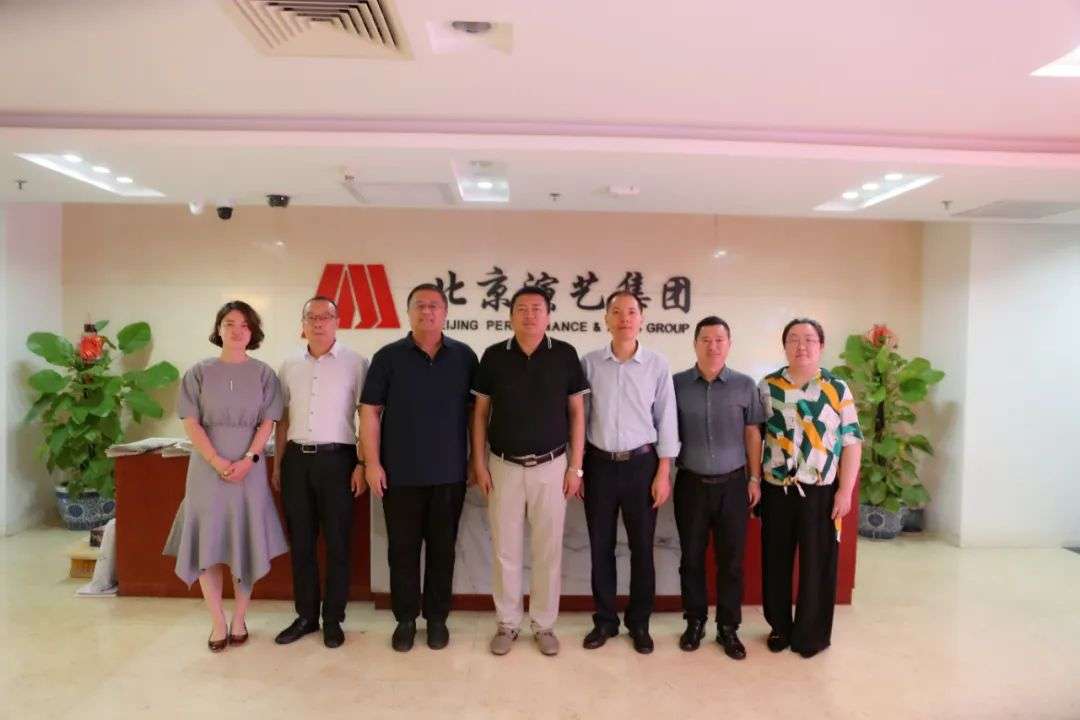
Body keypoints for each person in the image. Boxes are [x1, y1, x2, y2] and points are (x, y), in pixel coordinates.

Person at [359, 283, 478, 652]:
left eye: (434, 306)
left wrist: (475, 460)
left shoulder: (464, 357)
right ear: (408, 312)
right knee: (402, 551)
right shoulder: (388, 357)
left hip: (450, 474)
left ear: (445, 313)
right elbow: (369, 412)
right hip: (399, 474)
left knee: (443, 551)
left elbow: (477, 414)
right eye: (420, 306)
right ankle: (406, 620)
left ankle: (437, 619)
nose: (427, 312)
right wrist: (372, 463)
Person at [471, 287, 588, 656]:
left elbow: (577, 414)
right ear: (511, 316)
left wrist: (576, 467)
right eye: (521, 309)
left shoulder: (565, 355)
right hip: (502, 465)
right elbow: (480, 414)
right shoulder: (493, 356)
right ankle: (507, 624)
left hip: (552, 466)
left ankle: (544, 625)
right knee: (505, 550)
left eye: (537, 309)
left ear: (548, 316)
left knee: (547, 551)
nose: (529, 315)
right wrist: (479, 463)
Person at [163, 300, 287, 652]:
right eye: (229, 323)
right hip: (206, 469)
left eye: (245, 325)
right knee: (209, 542)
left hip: (250, 470)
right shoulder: (198, 372)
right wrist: (216, 460)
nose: (236, 330)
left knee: (245, 541)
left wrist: (249, 458)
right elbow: (190, 421)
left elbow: (268, 422)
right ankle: (217, 620)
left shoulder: (265, 374)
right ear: (218, 329)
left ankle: (239, 618)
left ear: (253, 332)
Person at [579, 290, 679, 654]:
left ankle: (639, 623)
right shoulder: (589, 363)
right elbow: (580, 418)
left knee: (642, 548)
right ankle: (605, 621)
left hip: (642, 466)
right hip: (599, 466)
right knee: (600, 547)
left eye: (632, 312)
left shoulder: (657, 364)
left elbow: (666, 419)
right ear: (606, 320)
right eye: (617, 312)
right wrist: (578, 468)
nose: (624, 318)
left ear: (641, 319)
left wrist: (663, 472)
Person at [758, 318, 862, 658]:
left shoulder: (836, 388)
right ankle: (779, 627)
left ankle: (811, 635)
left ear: (821, 345)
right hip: (777, 488)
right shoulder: (767, 386)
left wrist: (845, 491)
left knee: (818, 563)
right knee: (775, 560)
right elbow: (754, 437)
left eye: (809, 339)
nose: (801, 345)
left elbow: (852, 442)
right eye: (793, 339)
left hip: (820, 491)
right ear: (784, 345)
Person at [272, 296, 368, 649]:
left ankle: (333, 619)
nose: (318, 323)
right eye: (311, 317)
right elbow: (282, 420)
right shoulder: (288, 365)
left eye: (325, 317)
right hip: (296, 461)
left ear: (337, 321)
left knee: (338, 543)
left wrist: (362, 464)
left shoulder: (356, 363)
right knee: (301, 543)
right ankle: (306, 616)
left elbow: (368, 417)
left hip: (338, 460)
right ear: (303, 323)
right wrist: (278, 464)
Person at [672, 316, 765, 658]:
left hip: (733, 486)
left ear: (729, 344)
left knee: (731, 562)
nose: (713, 346)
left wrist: (754, 478)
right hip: (691, 485)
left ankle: (728, 628)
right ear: (695, 343)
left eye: (719, 340)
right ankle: (694, 621)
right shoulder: (677, 384)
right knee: (691, 559)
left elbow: (752, 433)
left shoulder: (744, 385)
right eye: (706, 340)